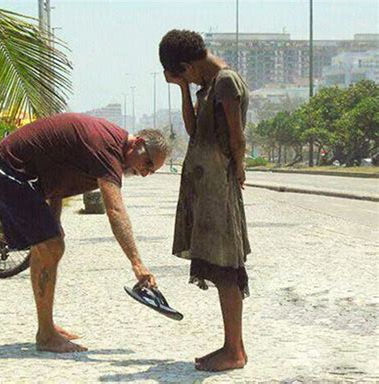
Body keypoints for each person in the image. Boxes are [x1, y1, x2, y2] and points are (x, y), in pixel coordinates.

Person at [0, 113, 170, 353]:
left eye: (151, 171)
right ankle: (46, 335)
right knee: (50, 246)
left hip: (19, 172)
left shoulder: (111, 146)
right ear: (138, 144)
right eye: (148, 164)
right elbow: (114, 209)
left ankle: (46, 326)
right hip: (6, 168)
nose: (145, 173)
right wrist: (137, 263)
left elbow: (57, 177)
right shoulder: (108, 149)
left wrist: (55, 219)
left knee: (50, 244)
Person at [159, 29, 251, 371]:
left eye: (183, 74)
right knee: (218, 264)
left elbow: (236, 136)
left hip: (219, 187)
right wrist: (184, 88)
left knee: (226, 268)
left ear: (186, 64)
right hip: (207, 186)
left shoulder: (225, 81)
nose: (187, 79)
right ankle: (233, 346)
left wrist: (239, 168)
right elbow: (194, 131)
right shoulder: (207, 85)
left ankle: (234, 352)